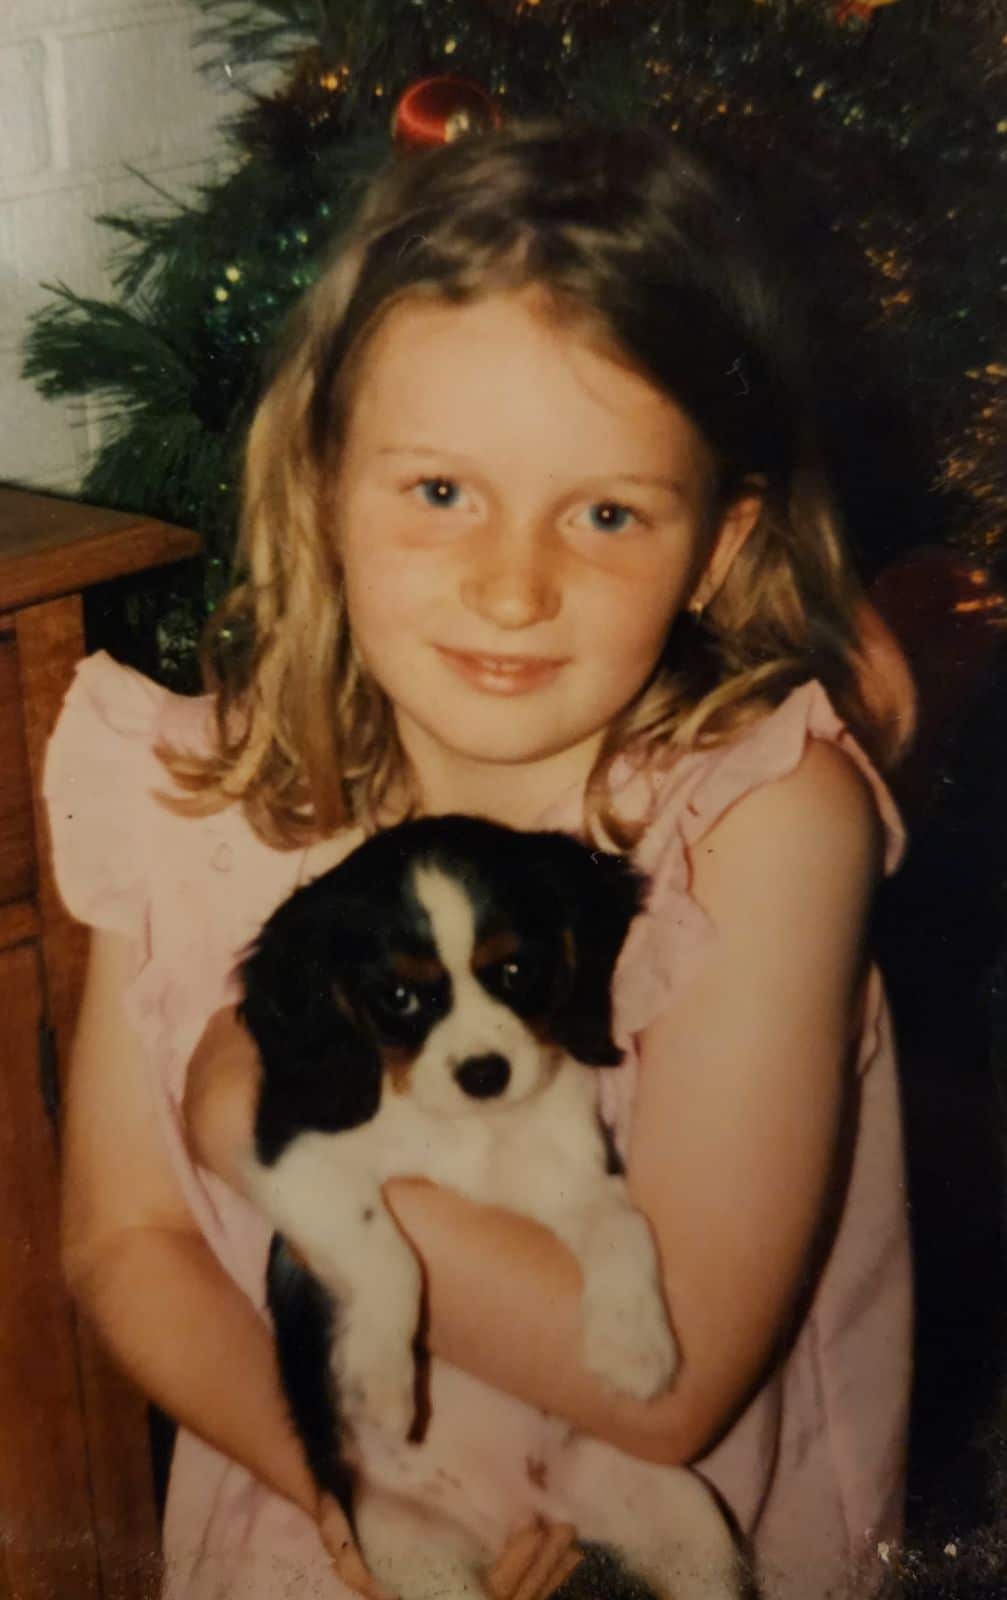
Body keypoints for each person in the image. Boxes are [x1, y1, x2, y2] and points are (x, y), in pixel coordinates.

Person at [44, 123, 917, 1600]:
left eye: (607, 513)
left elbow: (671, 1383)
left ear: (714, 545)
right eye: (441, 492)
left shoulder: (759, 825)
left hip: (674, 1546)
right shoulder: (203, 790)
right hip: (326, 1513)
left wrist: (249, 1121)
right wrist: (344, 1486)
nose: (515, 586)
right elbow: (121, 1246)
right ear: (323, 481)